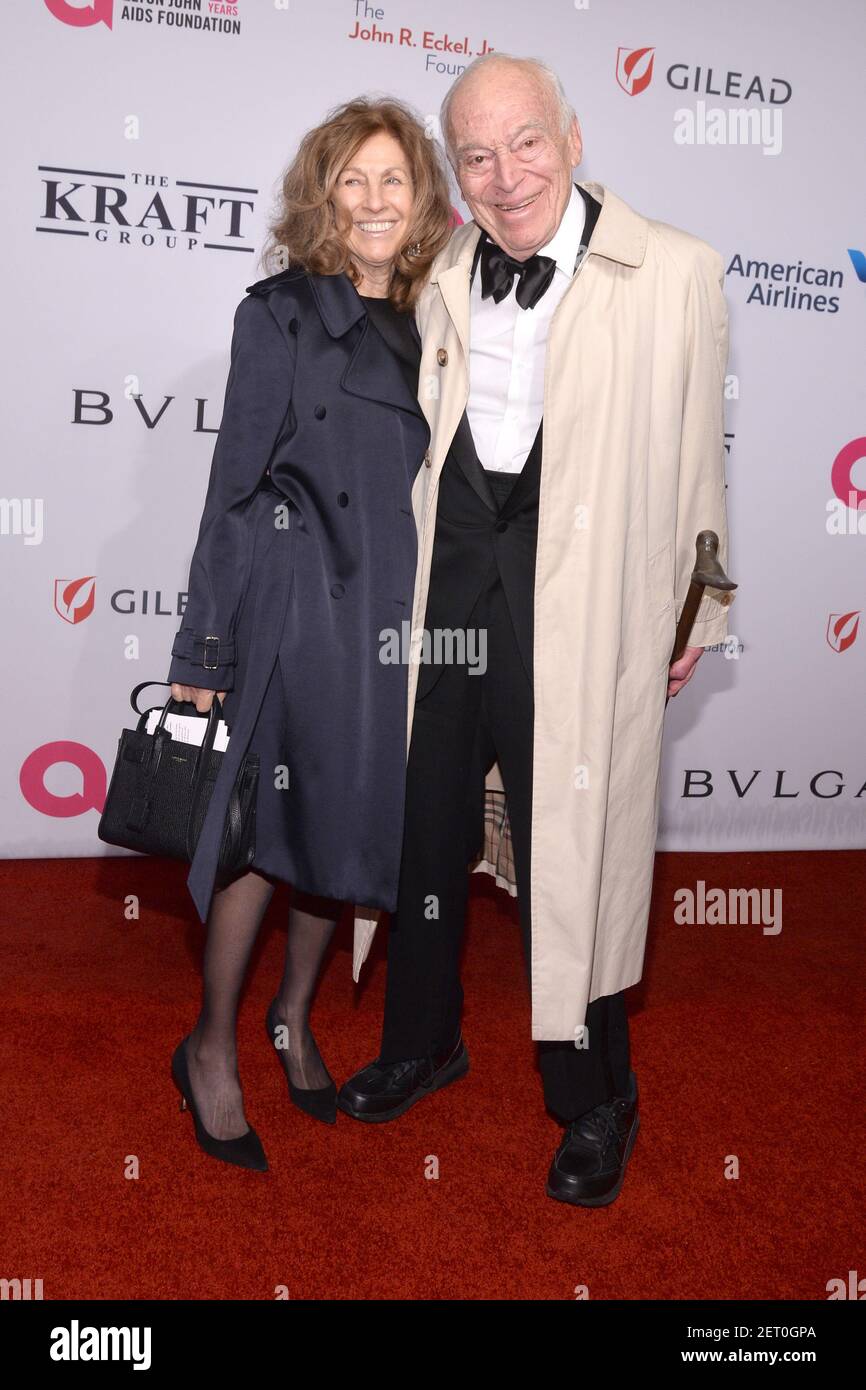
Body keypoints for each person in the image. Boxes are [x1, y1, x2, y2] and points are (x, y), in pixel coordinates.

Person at [340, 54, 735, 1208]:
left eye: (523, 142)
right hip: (452, 587)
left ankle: (593, 1097)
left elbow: (695, 462)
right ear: (452, 175)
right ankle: (423, 1038)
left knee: (574, 843)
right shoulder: (444, 269)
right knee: (425, 822)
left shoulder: (674, 271)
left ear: (570, 134)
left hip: (577, 598)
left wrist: (694, 605)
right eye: (474, 154)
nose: (504, 175)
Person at [166, 98, 451, 1171]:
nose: (375, 201)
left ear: (422, 197)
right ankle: (208, 1046)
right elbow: (232, 489)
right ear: (323, 194)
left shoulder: (440, 322)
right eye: (353, 180)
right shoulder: (277, 313)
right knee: (258, 832)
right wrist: (203, 653)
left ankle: (294, 1018)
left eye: (395, 180)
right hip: (297, 607)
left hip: (397, 618)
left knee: (347, 836)